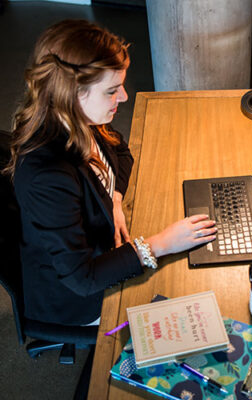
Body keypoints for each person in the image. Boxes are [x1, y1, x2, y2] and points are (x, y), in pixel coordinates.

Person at [3, 19, 216, 326]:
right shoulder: (46, 174)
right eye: (112, 90)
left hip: (106, 247)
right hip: (79, 296)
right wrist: (159, 244)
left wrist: (113, 198)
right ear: (73, 92)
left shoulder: (80, 120)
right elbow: (82, 278)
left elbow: (121, 153)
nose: (124, 97)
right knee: (187, 299)